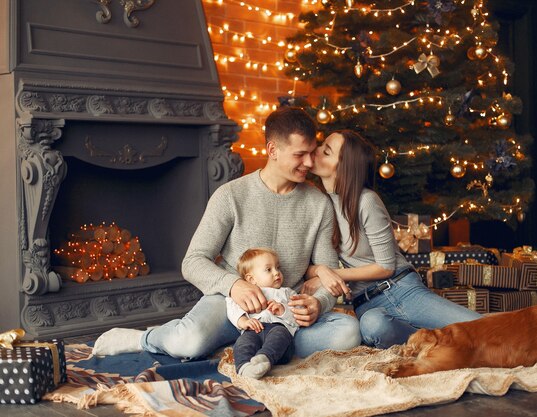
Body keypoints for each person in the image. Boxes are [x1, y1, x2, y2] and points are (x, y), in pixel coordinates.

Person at [93, 107, 361, 359]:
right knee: (188, 343)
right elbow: (193, 261)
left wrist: (320, 305)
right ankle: (144, 339)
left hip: (283, 309)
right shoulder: (231, 195)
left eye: (312, 152)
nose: (309, 162)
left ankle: (254, 343)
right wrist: (233, 285)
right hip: (230, 303)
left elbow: (326, 273)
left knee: (348, 333)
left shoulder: (318, 203)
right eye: (299, 154)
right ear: (273, 150)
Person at [304, 130, 482, 349]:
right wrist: (321, 272)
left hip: (400, 289)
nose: (316, 150)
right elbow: (310, 264)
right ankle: (435, 343)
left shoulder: (366, 201)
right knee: (373, 327)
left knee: (482, 328)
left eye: (326, 151)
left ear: (342, 168)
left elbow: (386, 266)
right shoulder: (321, 203)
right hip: (366, 305)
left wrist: (333, 275)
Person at [227, 248, 298, 379]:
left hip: (277, 329)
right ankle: (244, 368)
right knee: (242, 343)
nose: (277, 273)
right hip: (253, 330)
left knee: (280, 336)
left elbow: (297, 315)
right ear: (251, 279)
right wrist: (243, 321)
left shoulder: (287, 292)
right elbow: (232, 305)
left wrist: (283, 310)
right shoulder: (246, 292)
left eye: (278, 268)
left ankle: (264, 358)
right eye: (268, 269)